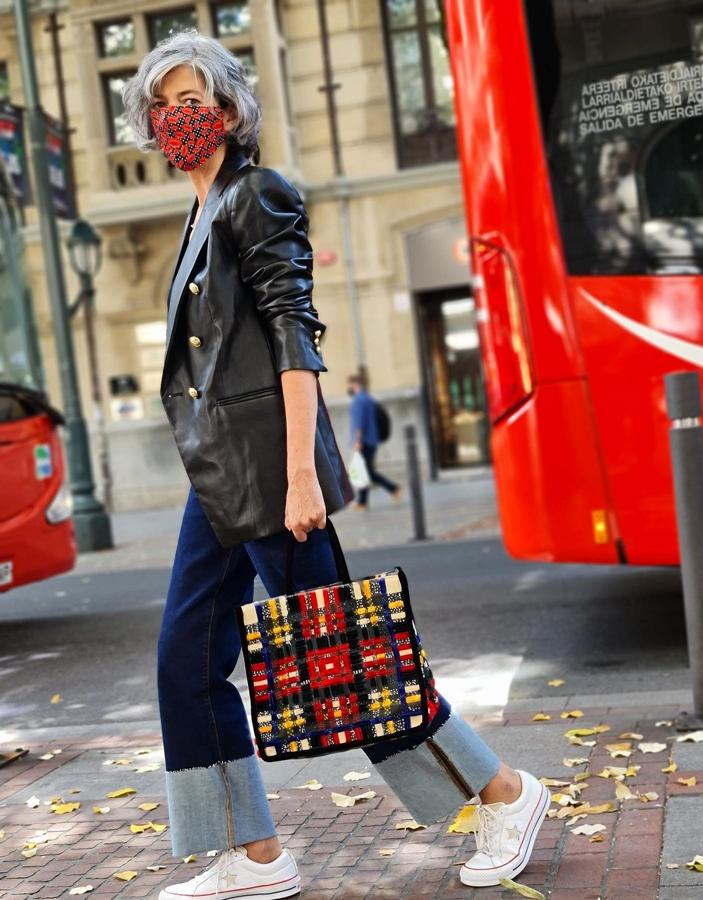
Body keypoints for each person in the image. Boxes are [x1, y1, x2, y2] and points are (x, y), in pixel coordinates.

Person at [122, 31, 551, 900]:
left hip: (273, 477)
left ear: (229, 110)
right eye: (162, 106)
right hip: (220, 482)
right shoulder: (201, 213)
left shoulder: (257, 194)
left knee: (347, 661)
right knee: (184, 661)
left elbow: (293, 337)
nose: (176, 118)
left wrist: (301, 476)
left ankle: (505, 793)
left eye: (192, 102)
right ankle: (254, 855)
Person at [347, 373, 401, 509]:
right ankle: (363, 501)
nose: (349, 388)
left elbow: (359, 423)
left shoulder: (358, 401)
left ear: (355, 384)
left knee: (366, 471)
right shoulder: (368, 399)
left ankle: (393, 488)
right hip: (372, 440)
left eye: (350, 385)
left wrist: (357, 441)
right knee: (366, 471)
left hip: (364, 441)